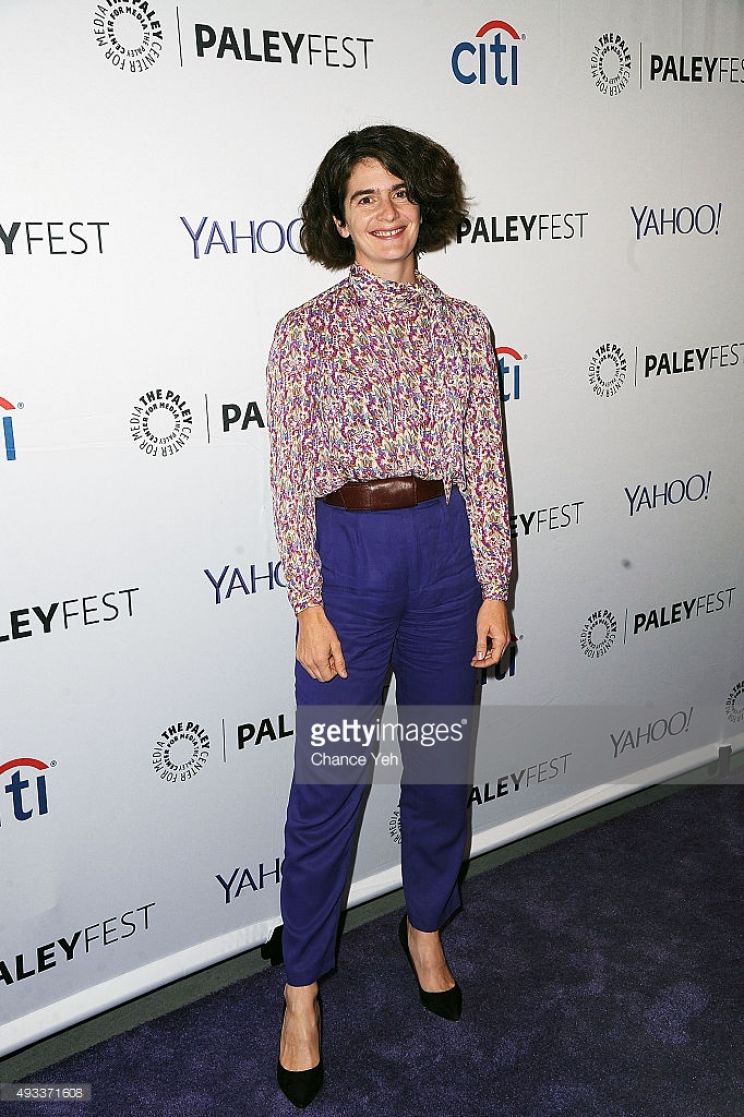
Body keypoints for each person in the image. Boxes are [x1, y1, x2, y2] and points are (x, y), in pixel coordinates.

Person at [265, 123, 512, 1108]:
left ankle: (425, 927)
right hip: (351, 561)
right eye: (364, 195)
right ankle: (300, 990)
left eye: (402, 192)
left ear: (427, 206)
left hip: (449, 559)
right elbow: (288, 473)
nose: (386, 210)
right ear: (338, 215)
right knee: (328, 784)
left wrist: (494, 581)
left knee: (440, 766)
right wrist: (307, 601)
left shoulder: (465, 326)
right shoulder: (304, 329)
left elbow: (487, 459)